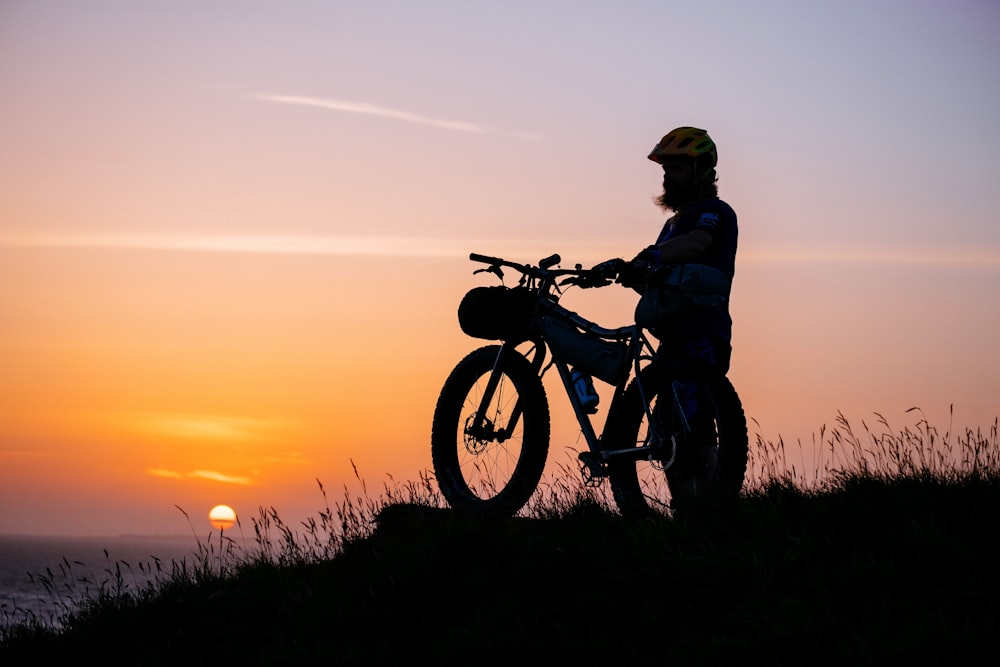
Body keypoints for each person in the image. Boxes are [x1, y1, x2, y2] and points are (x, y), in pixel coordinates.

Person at [606, 126, 738, 377]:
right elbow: (660, 279)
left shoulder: (715, 211)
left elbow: (699, 241)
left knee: (692, 415)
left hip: (703, 339)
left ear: (700, 171)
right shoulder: (672, 225)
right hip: (672, 340)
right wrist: (628, 273)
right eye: (665, 170)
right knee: (666, 416)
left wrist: (649, 255)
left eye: (675, 169)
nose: (667, 177)